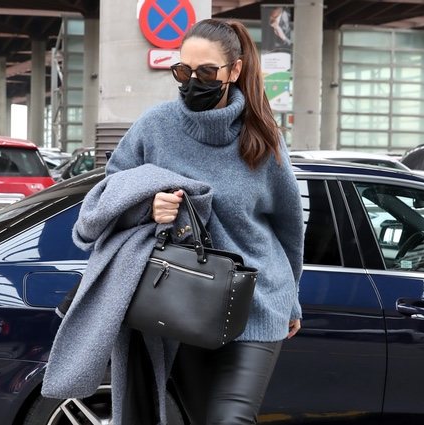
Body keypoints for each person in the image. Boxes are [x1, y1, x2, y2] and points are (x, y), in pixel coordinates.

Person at [104, 18, 304, 424]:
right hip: (184, 304)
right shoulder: (155, 127)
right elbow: (111, 189)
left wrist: (292, 299)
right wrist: (148, 206)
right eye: (183, 71)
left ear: (234, 70)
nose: (193, 81)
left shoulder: (262, 134)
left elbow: (289, 225)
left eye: (207, 72)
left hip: (258, 301)